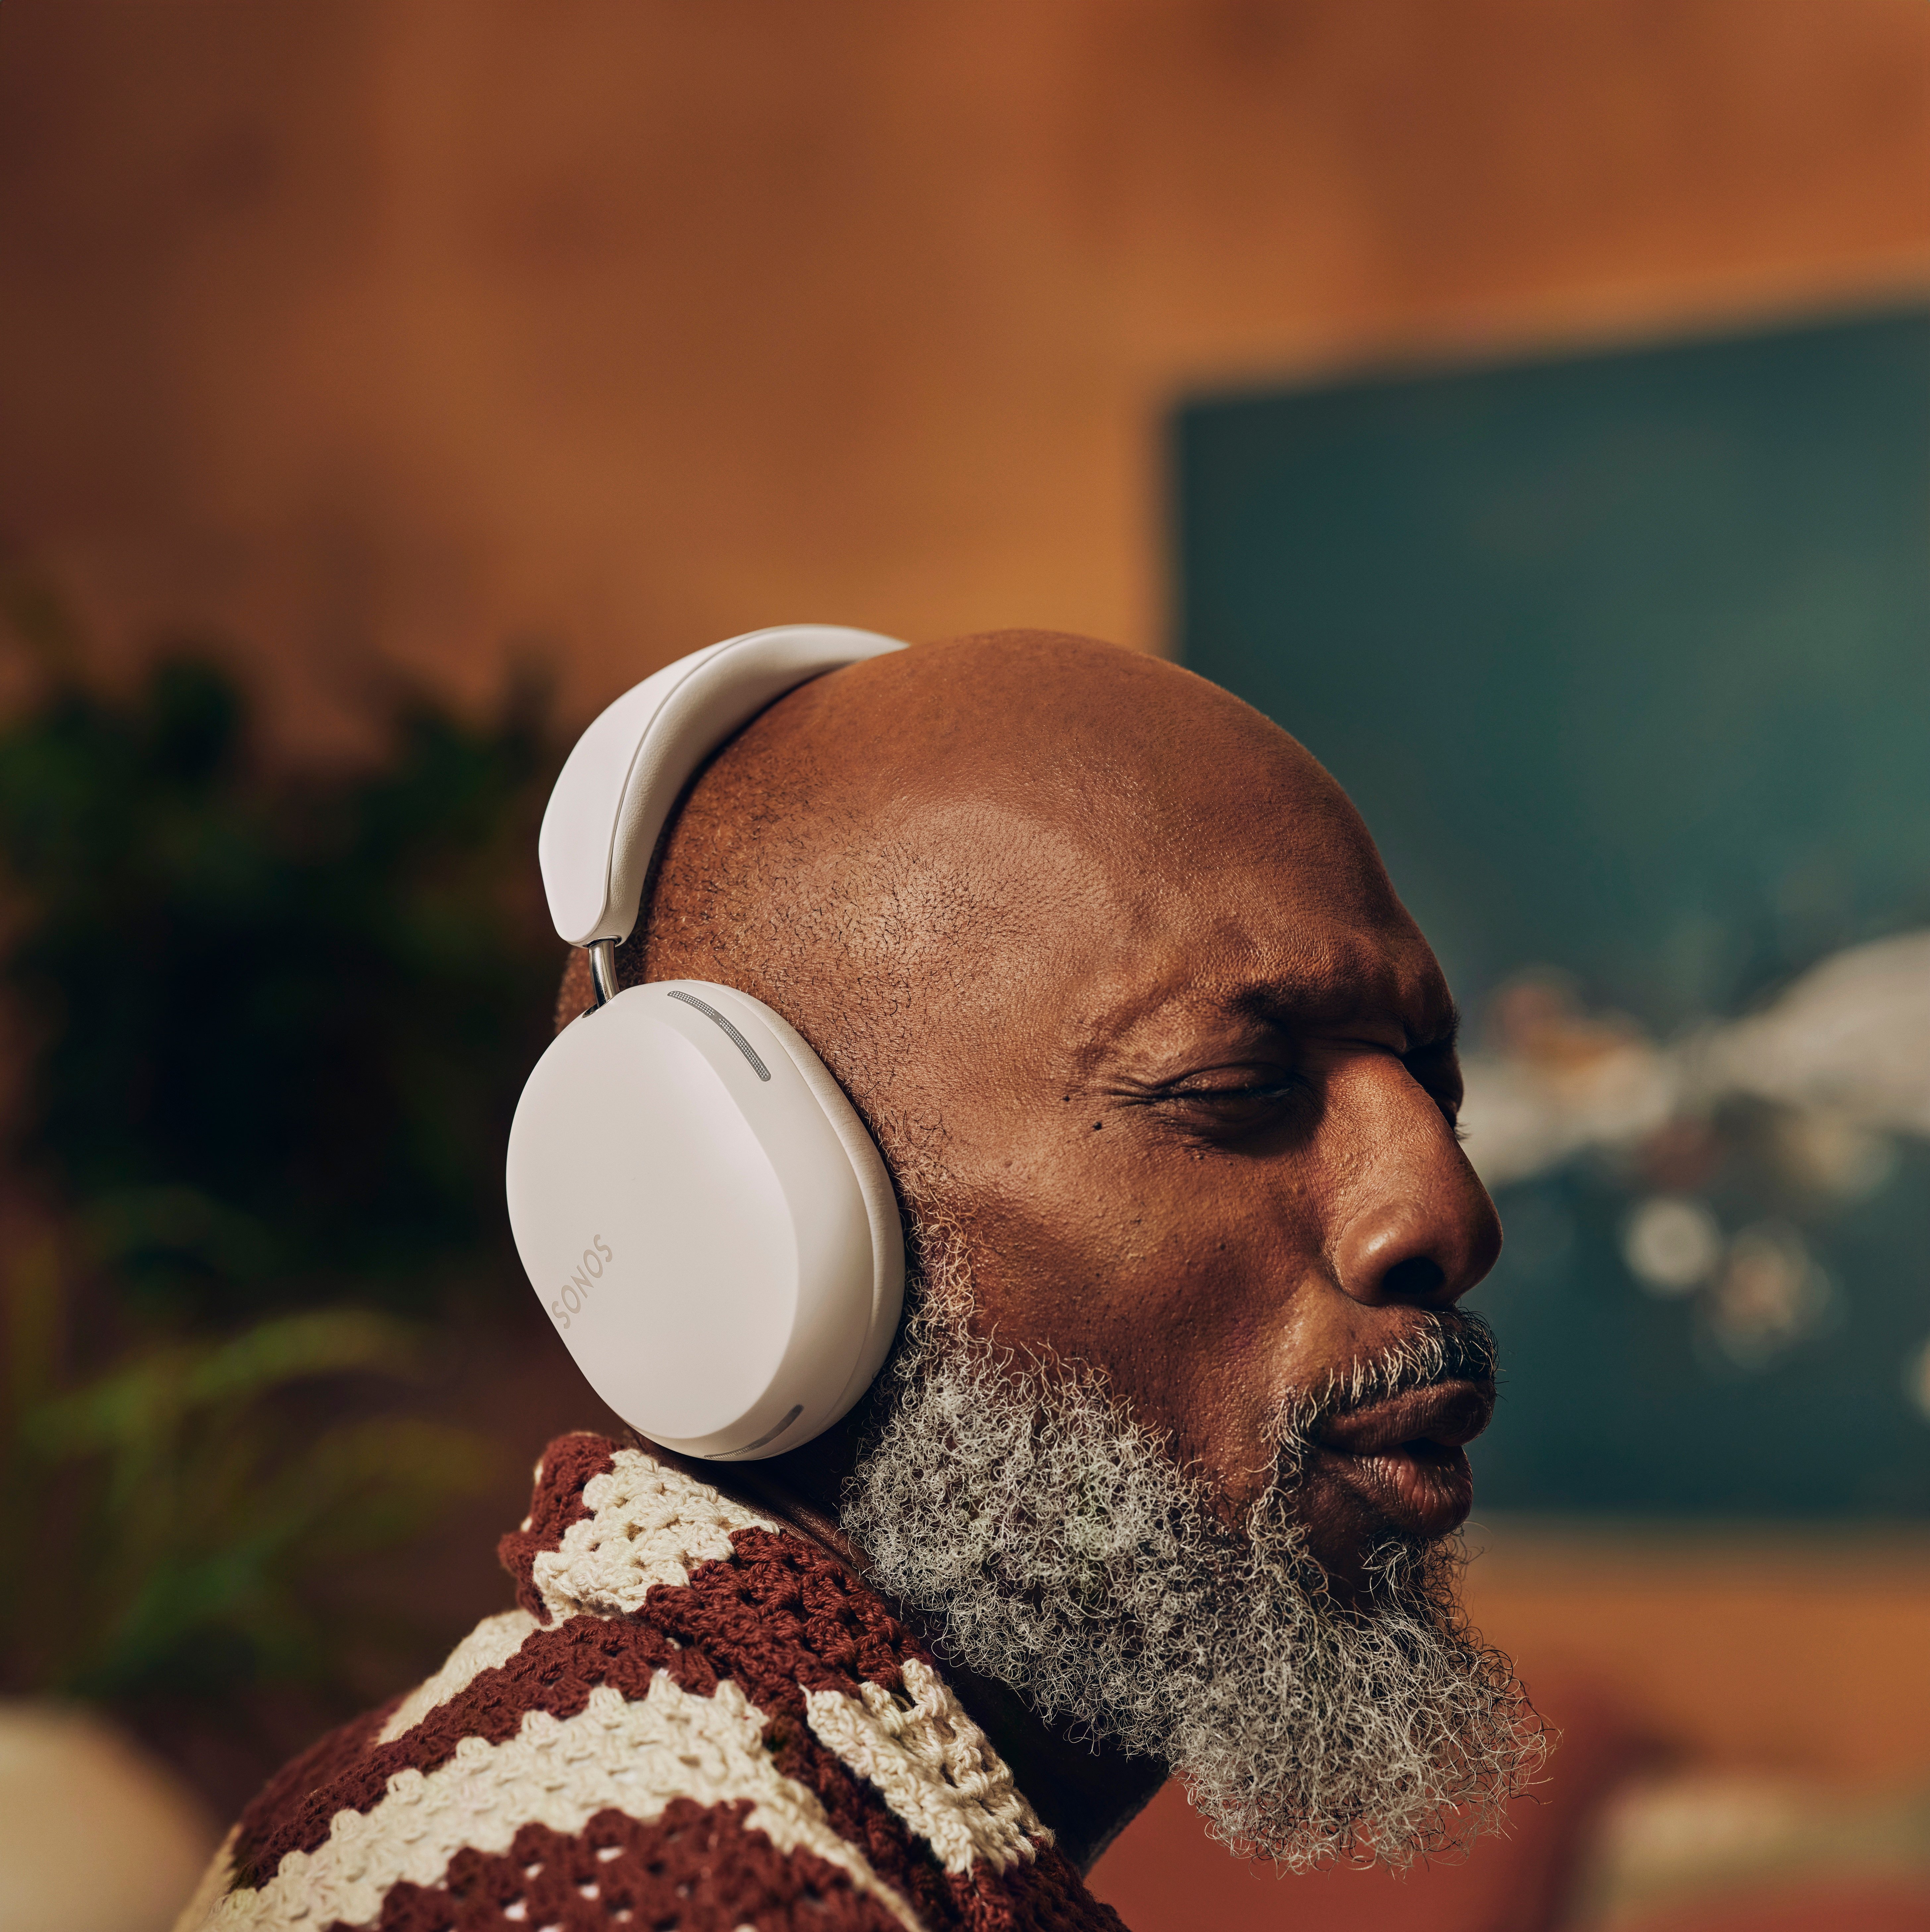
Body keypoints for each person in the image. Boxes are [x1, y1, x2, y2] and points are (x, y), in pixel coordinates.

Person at [177, 633, 1543, 1932]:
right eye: (1239, 1087)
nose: (1444, 1212)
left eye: (1431, 1078)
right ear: (751, 1211)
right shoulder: (642, 1888)